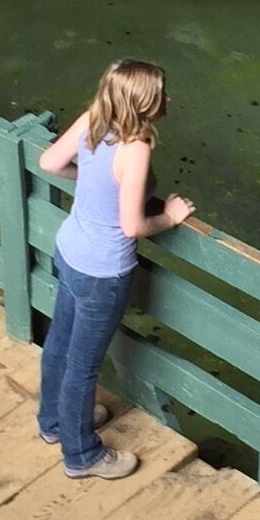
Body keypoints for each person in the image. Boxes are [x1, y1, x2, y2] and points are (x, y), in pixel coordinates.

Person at [33, 59, 195, 479]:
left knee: (59, 345)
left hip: (69, 249)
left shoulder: (95, 118)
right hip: (101, 273)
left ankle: (54, 423)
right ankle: (81, 454)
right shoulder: (136, 147)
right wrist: (171, 218)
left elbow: (49, 162)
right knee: (83, 367)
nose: (168, 100)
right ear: (143, 104)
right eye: (161, 95)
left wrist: (91, 188)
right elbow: (132, 226)